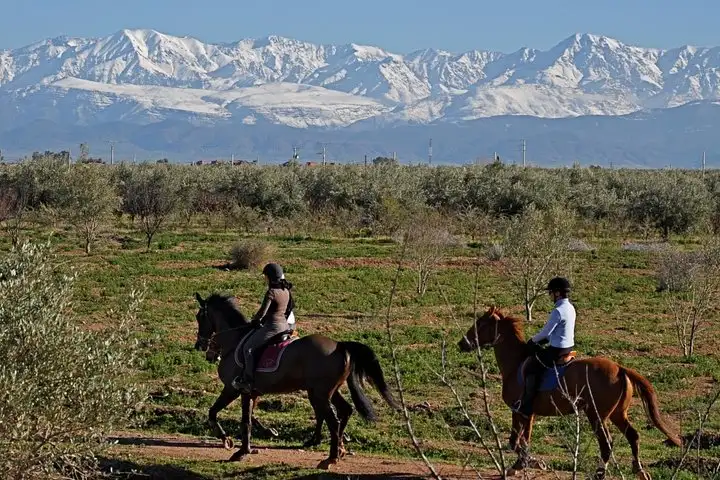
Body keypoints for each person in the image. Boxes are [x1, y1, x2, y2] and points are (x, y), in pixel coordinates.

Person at [512, 276, 576, 417]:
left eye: (551, 292)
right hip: (568, 347)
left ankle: (527, 405)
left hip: (556, 350)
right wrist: (545, 340)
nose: (550, 295)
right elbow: (557, 332)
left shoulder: (557, 311)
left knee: (531, 367)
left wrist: (532, 341)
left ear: (558, 293)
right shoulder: (570, 308)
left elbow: (546, 332)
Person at [231, 263, 293, 394]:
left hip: (272, 327)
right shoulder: (285, 290)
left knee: (248, 348)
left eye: (265, 276)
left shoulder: (271, 292)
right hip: (285, 326)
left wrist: (254, 321)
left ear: (269, 277)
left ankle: (248, 381)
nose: (265, 279)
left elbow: (262, 313)